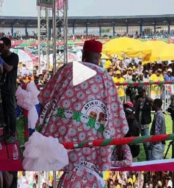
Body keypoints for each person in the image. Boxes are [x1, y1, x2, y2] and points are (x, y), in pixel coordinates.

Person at [38, 39, 128, 187]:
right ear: (99, 57)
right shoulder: (104, 77)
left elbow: (45, 98)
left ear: (83, 54)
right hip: (92, 139)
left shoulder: (66, 69)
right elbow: (116, 115)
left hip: (60, 134)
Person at [0, 37, 19, 144]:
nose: (1, 49)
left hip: (9, 88)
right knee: (3, 113)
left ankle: (12, 134)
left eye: (3, 47)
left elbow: (9, 68)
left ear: (8, 46)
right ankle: (6, 133)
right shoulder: (0, 57)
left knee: (11, 112)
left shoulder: (14, 56)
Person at [134, 86, 153, 160]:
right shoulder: (136, 98)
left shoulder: (148, 99)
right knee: (136, 142)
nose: (142, 93)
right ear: (138, 92)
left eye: (143, 91)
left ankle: (149, 159)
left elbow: (154, 104)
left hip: (145, 124)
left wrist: (150, 101)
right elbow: (133, 108)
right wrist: (137, 103)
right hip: (137, 124)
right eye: (141, 92)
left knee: (147, 143)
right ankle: (135, 158)